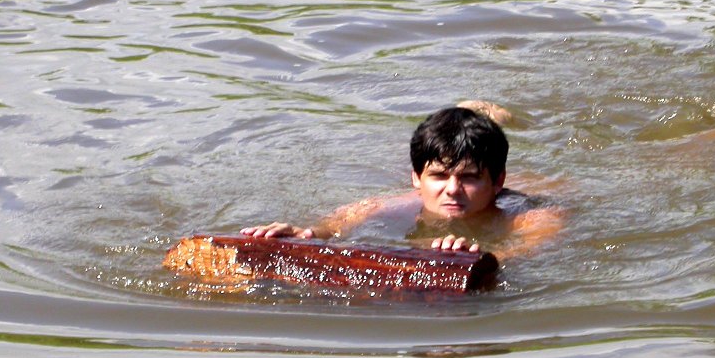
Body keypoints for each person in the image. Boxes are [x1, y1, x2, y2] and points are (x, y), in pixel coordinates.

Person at [240, 104, 563, 259]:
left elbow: (522, 249)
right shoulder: (386, 206)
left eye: (469, 178)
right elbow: (331, 227)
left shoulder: (532, 215)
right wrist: (304, 234)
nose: (452, 190)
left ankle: (492, 114)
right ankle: (473, 115)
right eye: (438, 176)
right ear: (416, 179)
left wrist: (480, 257)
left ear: (498, 182)